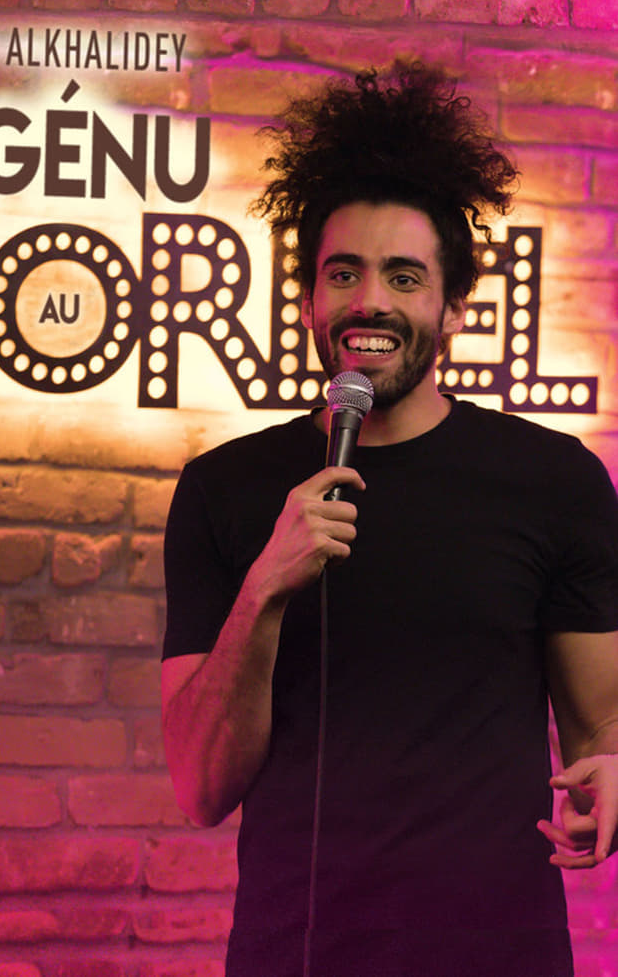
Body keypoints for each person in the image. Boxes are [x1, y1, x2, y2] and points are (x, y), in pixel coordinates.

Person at [161, 62, 618, 977]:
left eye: (404, 277)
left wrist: (611, 772)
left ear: (451, 310)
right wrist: (264, 589)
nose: (370, 299)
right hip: (295, 954)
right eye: (345, 273)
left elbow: (601, 729)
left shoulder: (553, 480)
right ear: (309, 302)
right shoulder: (225, 487)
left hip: (500, 955)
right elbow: (201, 790)